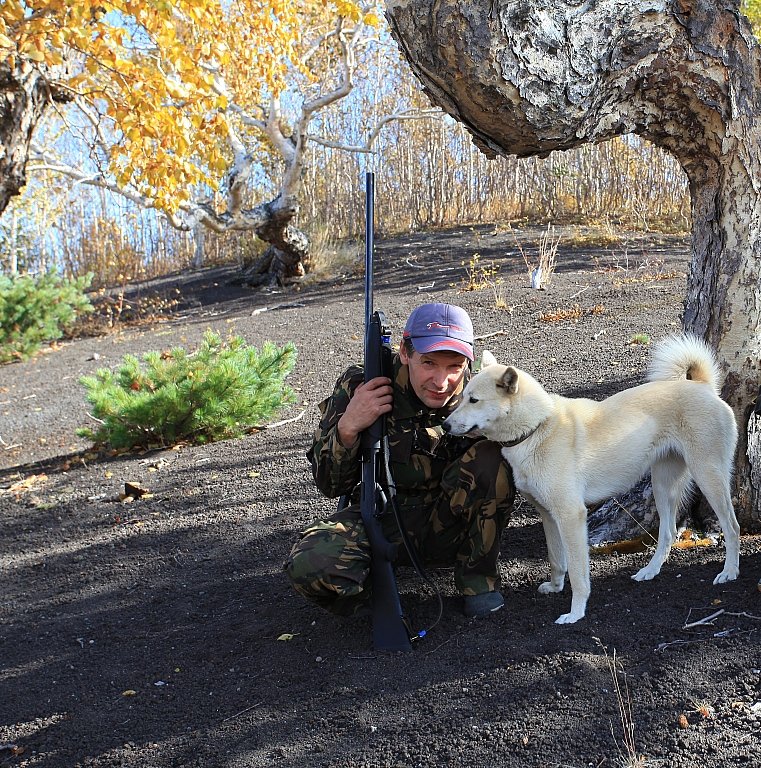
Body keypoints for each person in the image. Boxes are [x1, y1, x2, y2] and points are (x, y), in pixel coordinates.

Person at [284, 303, 515, 618]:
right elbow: (329, 483)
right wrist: (348, 427)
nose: (441, 381)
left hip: (451, 524)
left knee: (495, 456)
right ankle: (370, 593)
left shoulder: (482, 392)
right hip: (380, 521)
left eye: (454, 366)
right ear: (405, 352)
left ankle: (478, 580)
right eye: (429, 363)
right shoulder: (363, 385)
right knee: (312, 563)